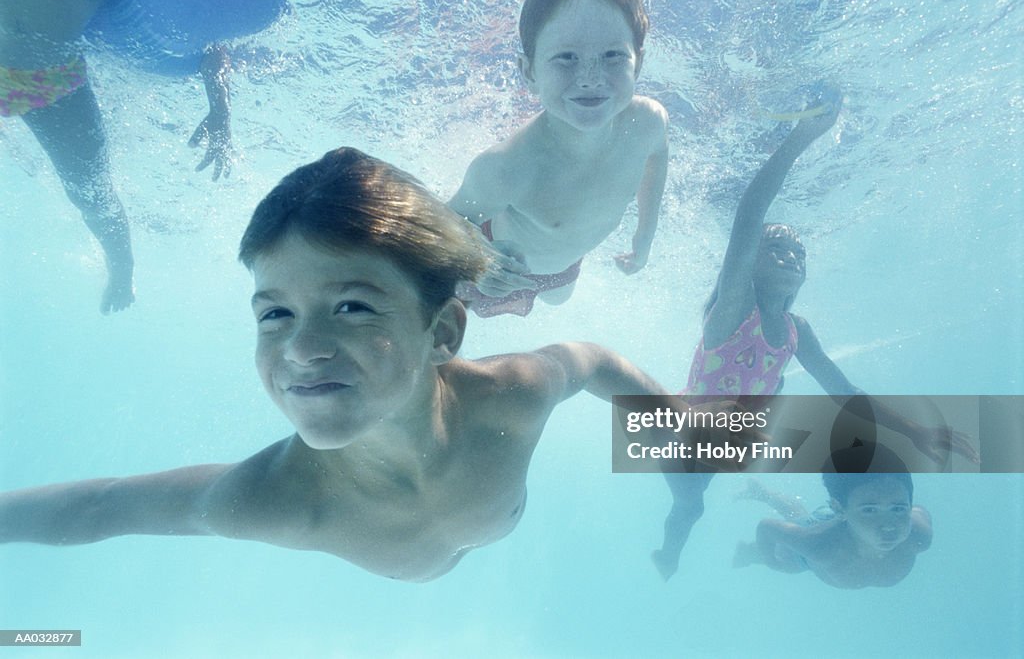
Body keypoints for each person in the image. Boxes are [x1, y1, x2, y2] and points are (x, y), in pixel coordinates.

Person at [0, 148, 731, 583]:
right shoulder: (273, 502)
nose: (300, 349)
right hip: (444, 561)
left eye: (351, 306)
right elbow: (98, 507)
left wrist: (676, 418)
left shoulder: (509, 398)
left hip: (477, 524)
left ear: (443, 329)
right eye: (273, 312)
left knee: (808, 448)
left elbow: (590, 359)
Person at [650, 89, 976, 582]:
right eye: (776, 248)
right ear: (748, 266)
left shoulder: (796, 332)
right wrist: (803, 135)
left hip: (735, 437)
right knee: (689, 508)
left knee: (752, 452)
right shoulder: (733, 310)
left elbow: (847, 394)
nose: (790, 256)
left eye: (798, 254)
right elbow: (750, 212)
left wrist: (914, 431)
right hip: (686, 436)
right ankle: (669, 552)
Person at [0, 0, 285, 313]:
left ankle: (122, 269)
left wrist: (220, 109)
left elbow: (206, 38)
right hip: (37, 66)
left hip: (46, 80)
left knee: (91, 194)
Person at [448, 0, 669, 317]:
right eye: (566, 58)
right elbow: (447, 221)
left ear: (637, 64)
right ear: (529, 71)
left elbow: (657, 157)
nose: (591, 78)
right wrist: (480, 261)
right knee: (456, 309)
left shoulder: (649, 123)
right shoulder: (507, 167)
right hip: (502, 268)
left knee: (557, 300)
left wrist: (645, 234)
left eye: (613, 56)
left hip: (564, 269)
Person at [733, 442, 932, 589]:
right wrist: (771, 562)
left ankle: (762, 493)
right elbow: (767, 527)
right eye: (870, 510)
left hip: (847, 515)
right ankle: (747, 550)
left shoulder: (919, 535)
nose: (889, 525)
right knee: (790, 547)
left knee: (800, 517)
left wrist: (885, 509)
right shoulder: (819, 546)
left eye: (898, 509)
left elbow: (920, 510)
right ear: (838, 509)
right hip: (823, 533)